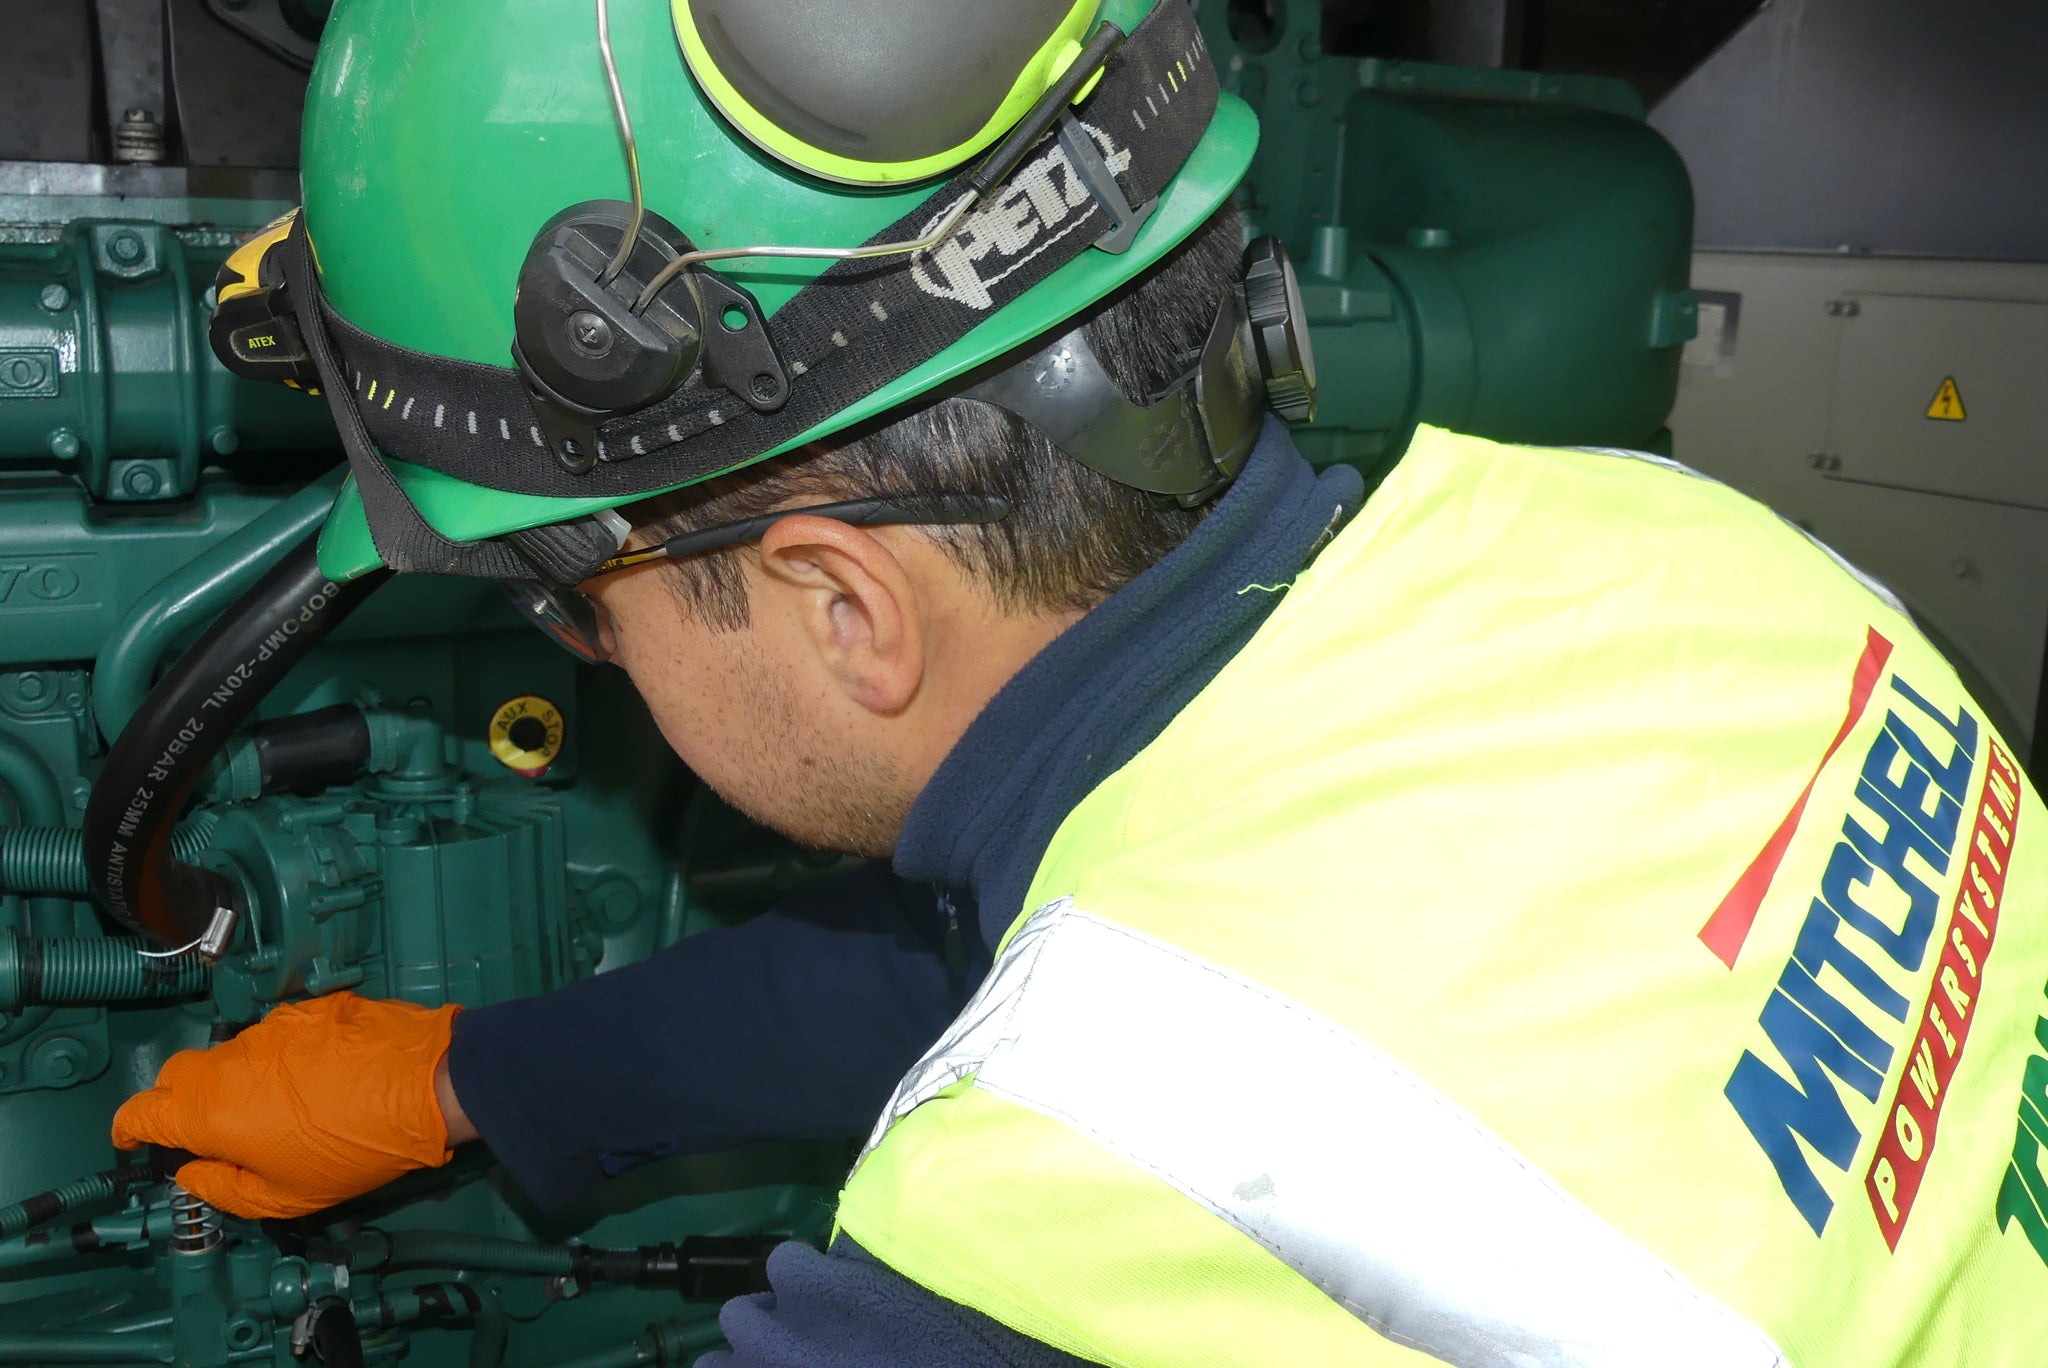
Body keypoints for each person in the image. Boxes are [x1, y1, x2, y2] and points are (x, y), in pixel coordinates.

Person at [113, 0, 2048, 1363]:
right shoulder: (1677, 544)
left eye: (577, 610)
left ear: (844, 608)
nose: (590, 658)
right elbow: (1076, 972)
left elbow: (1129, 1080)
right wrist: (473, 1081)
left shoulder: (1018, 1253)